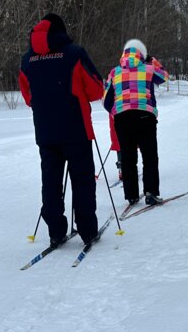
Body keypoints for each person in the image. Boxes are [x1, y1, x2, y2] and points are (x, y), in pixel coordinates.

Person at [18, 13, 105, 247]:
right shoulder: (74, 54)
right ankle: (87, 230)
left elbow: (28, 97)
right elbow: (97, 89)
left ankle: (56, 231)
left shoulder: (28, 60)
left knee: (51, 181)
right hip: (76, 128)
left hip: (46, 132)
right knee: (83, 180)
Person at [104, 39, 169, 206]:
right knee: (149, 156)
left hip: (122, 118)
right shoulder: (149, 68)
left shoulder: (114, 72)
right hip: (145, 116)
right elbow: (164, 77)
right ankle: (151, 192)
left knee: (127, 157)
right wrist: (153, 61)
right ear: (142, 55)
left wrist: (116, 111)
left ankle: (131, 195)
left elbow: (106, 99)